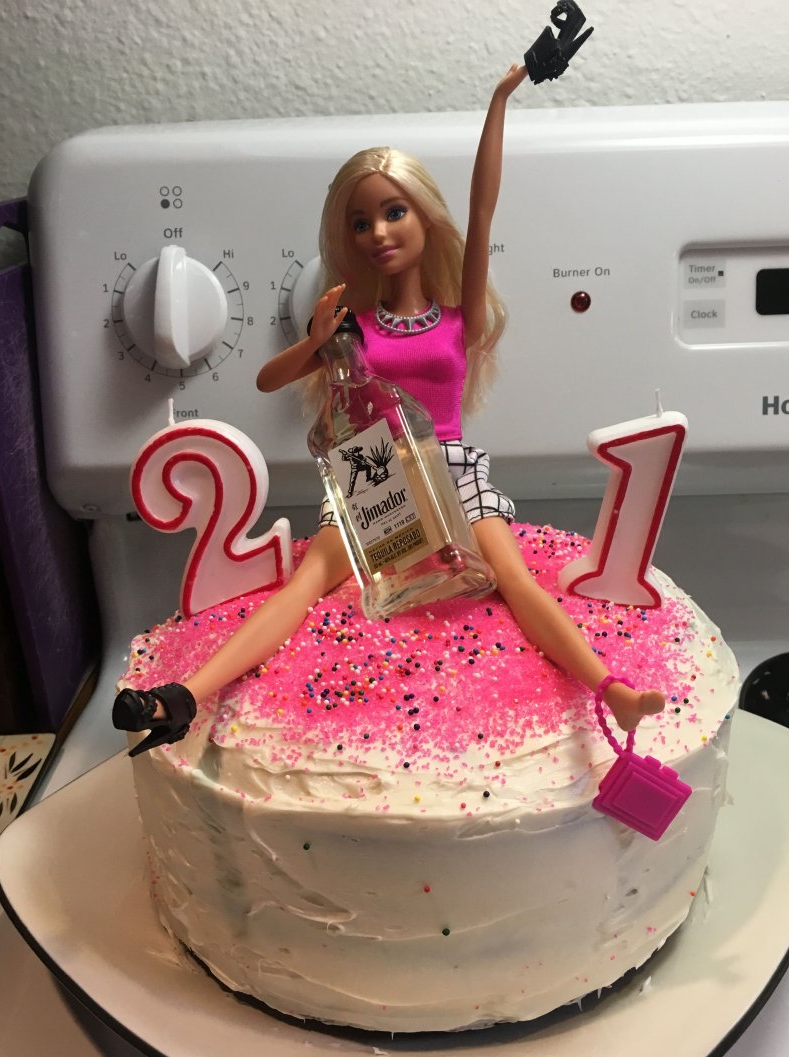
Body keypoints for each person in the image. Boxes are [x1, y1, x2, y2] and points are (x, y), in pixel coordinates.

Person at [113, 64, 665, 756]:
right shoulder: (354, 331)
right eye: (361, 221)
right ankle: (183, 697)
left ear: (427, 218)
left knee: (517, 581)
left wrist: (500, 99)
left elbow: (483, 209)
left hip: (450, 467)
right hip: (375, 478)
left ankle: (610, 690)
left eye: (394, 211)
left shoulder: (459, 320)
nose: (378, 231)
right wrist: (316, 341)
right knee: (305, 586)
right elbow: (266, 379)